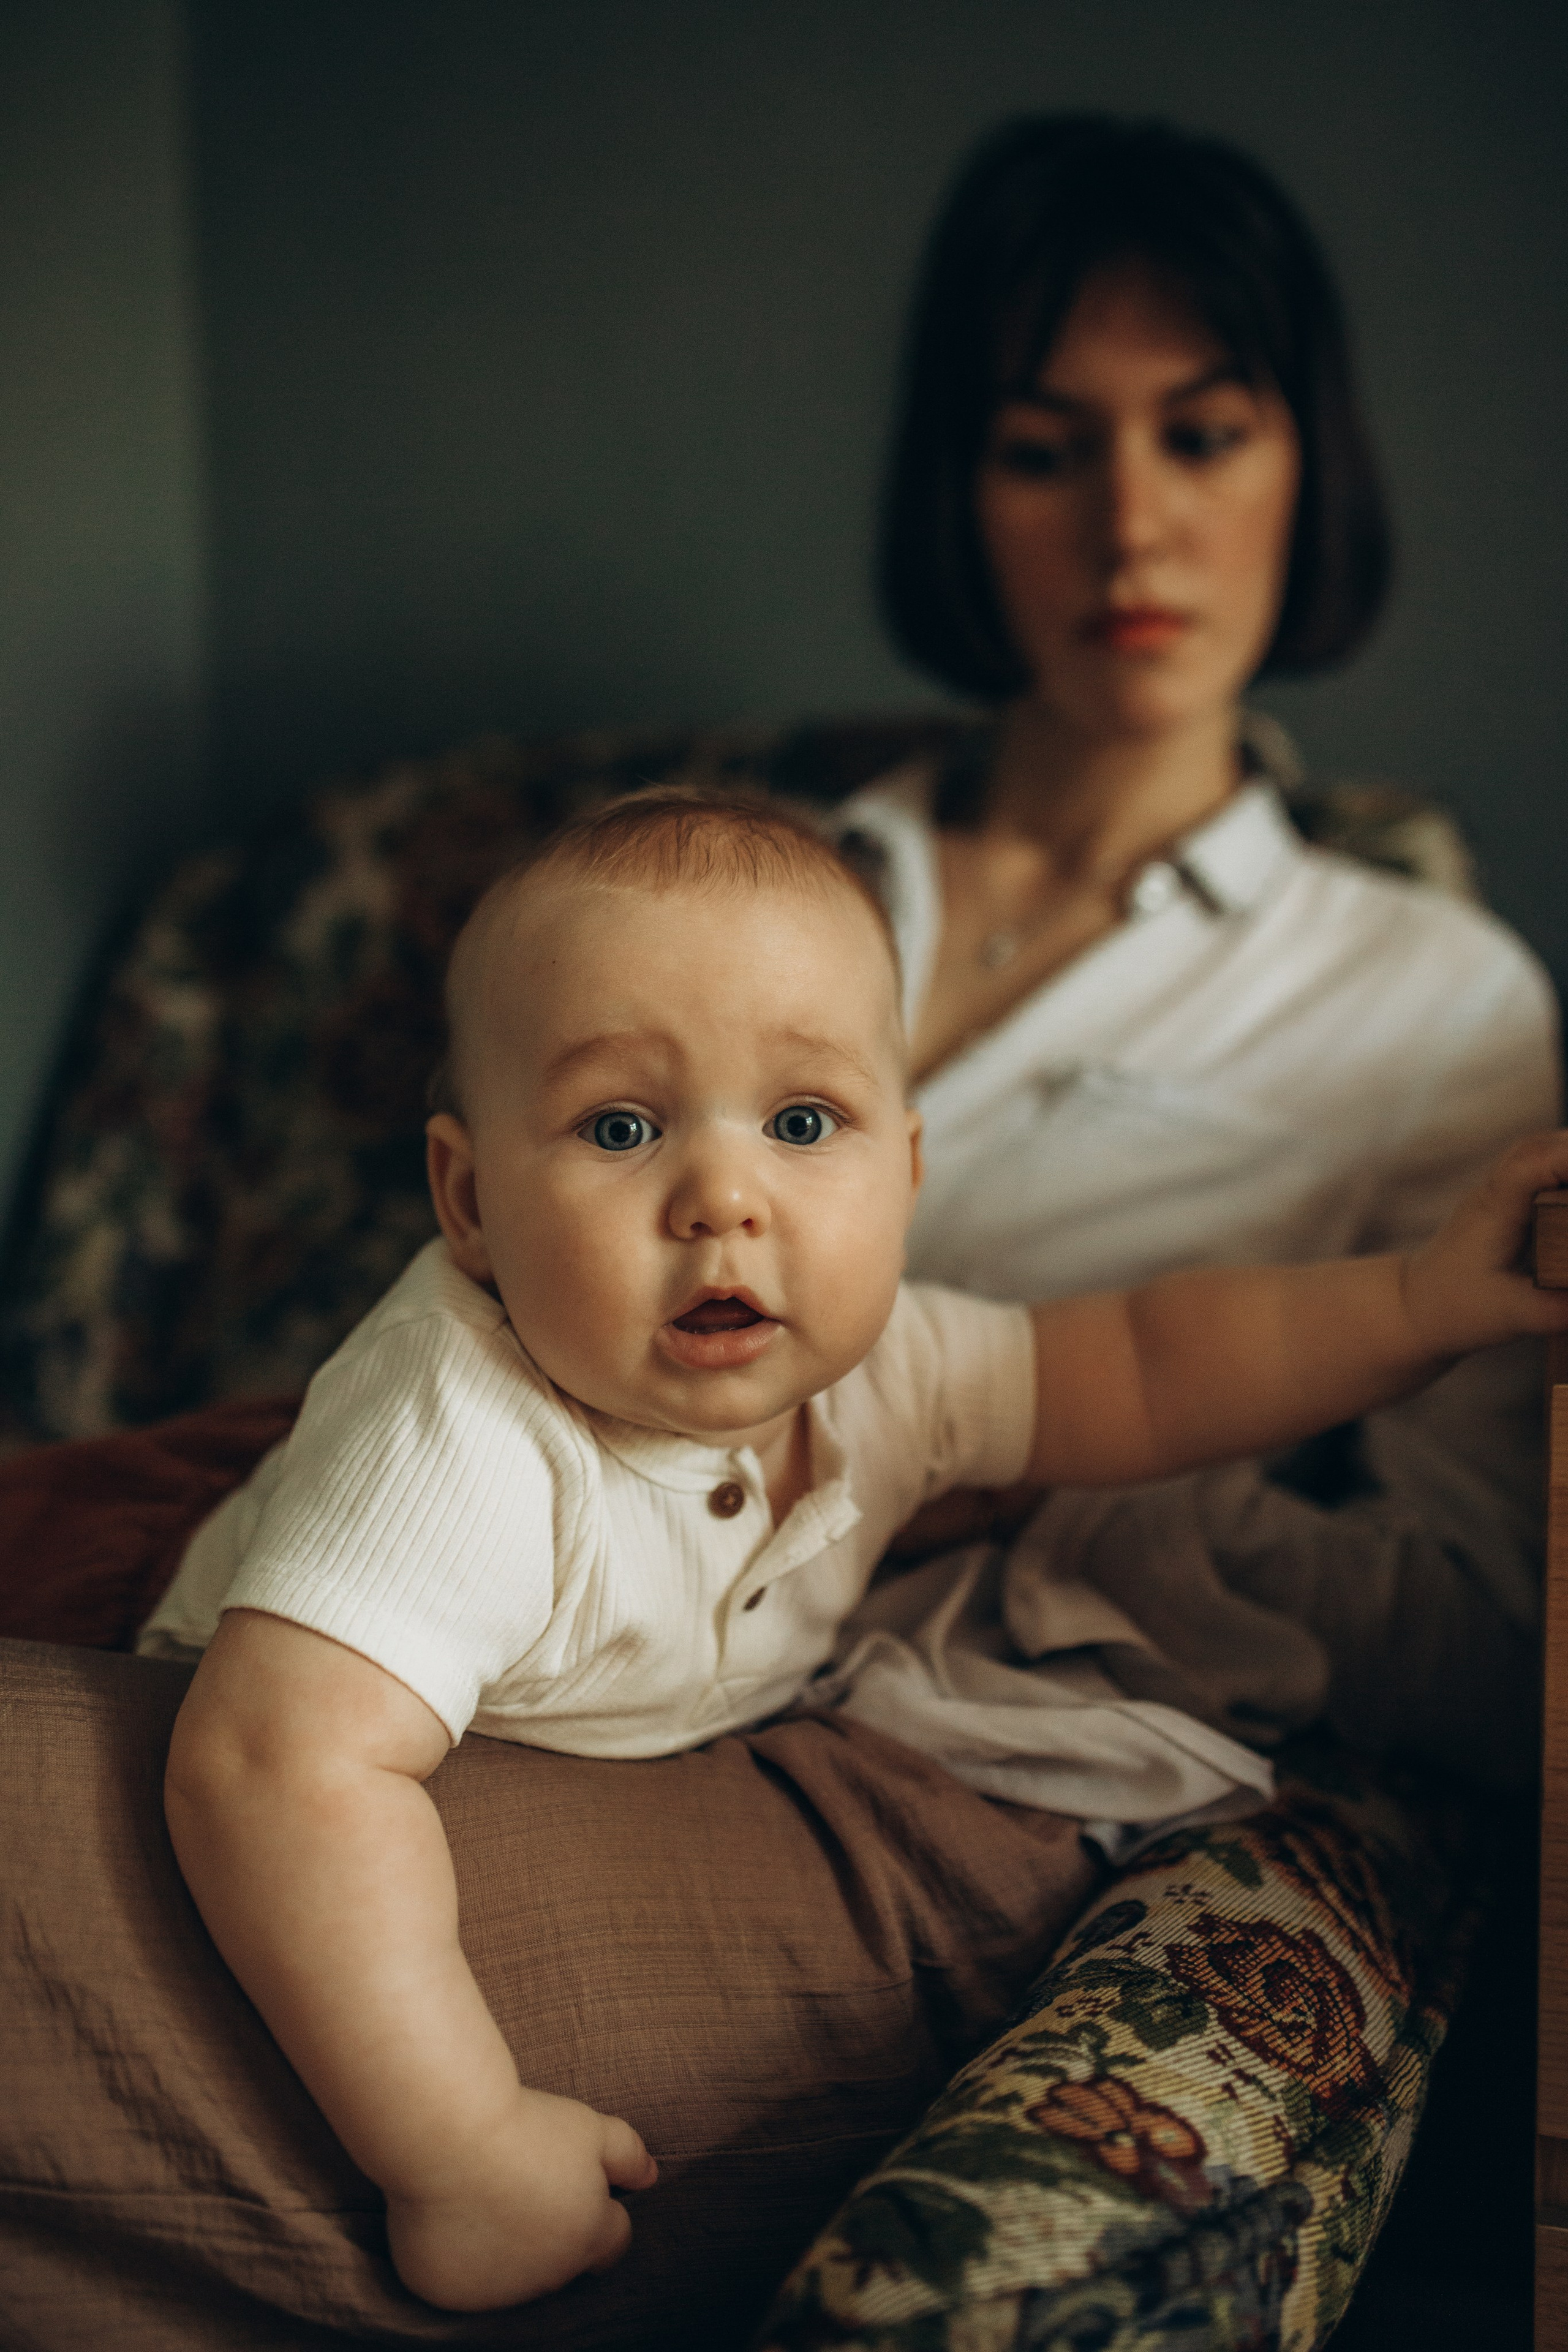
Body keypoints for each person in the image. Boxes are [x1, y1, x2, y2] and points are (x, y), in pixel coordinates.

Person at [149, 788, 1568, 2316]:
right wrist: (460, 2150)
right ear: (469, 1200)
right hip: (275, 1711)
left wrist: (1420, 1305)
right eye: (620, 1127)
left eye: (802, 1123)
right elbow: (273, 1773)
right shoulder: (465, 1431)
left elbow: (1151, 1364)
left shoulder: (888, 1372)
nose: (722, 1200)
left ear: (903, 1172)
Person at [827, 114, 1559, 1787]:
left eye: (1205, 435)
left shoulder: (1430, 1006)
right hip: (545, 1642)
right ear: (961, 486)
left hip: (950, 1752)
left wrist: (1041, 1478)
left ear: (1308, 464)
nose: (1133, 527)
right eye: (1043, 450)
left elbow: (1495, 1642)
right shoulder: (758, 881)